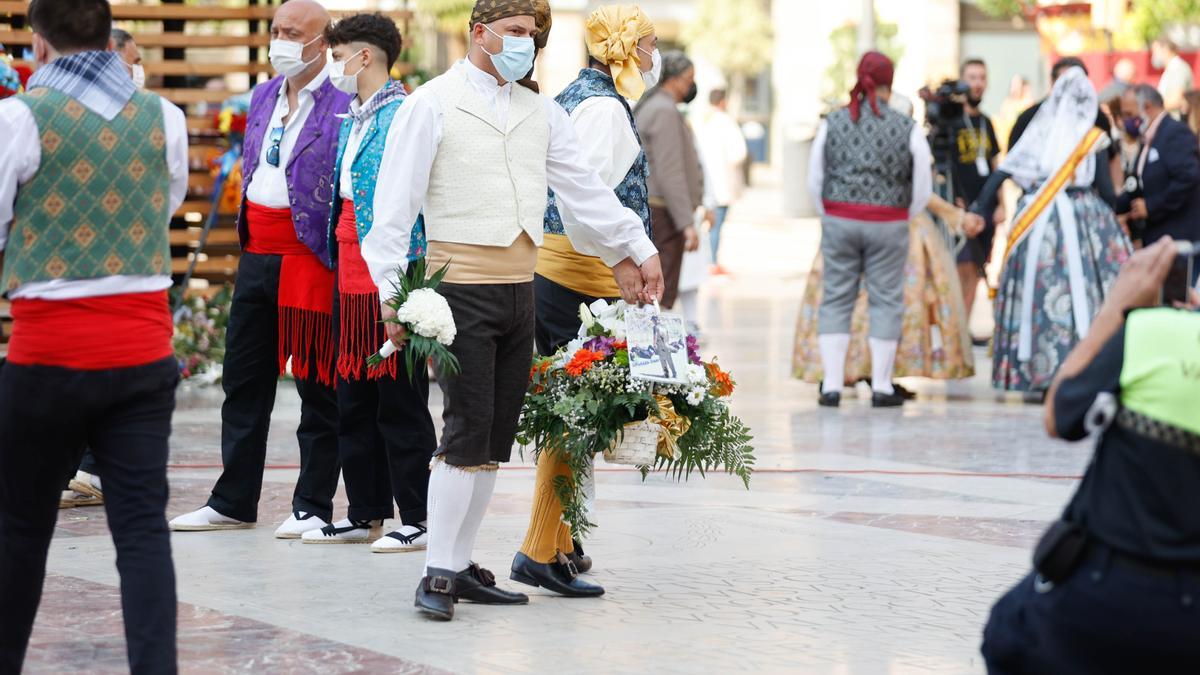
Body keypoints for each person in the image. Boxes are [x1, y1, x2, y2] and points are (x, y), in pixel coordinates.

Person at [360, 0, 663, 622]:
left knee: (495, 436)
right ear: (480, 34)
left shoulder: (542, 111)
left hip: (520, 289)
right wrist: (392, 293)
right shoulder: (431, 103)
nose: (527, 44)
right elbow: (392, 209)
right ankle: (437, 572)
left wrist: (637, 246)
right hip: (457, 291)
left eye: (534, 35)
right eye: (516, 32)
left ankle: (461, 562)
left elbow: (585, 191)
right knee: (466, 431)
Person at [0, 0, 189, 670]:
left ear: (39, 39)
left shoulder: (21, 116)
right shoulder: (164, 117)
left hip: (47, 354)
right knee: (141, 530)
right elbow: (161, 207)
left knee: (20, 530)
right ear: (109, 34)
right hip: (142, 353)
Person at [169, 0, 352, 538]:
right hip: (257, 254)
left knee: (318, 386)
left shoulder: (343, 100)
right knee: (244, 382)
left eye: (293, 33)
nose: (281, 42)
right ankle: (232, 499)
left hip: (311, 258)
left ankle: (312, 503)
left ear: (322, 42)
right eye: (276, 31)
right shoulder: (265, 93)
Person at [981, 238, 1200, 673]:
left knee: (1006, 636)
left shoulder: (1155, 332)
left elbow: (1060, 416)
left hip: (1102, 597)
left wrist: (1115, 308)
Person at [516, 3, 659, 589]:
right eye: (648, 44)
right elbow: (585, 205)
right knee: (576, 415)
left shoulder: (577, 96)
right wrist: (627, 258)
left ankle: (562, 539)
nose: (655, 55)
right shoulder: (603, 109)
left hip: (563, 274)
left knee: (572, 410)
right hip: (580, 276)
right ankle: (538, 552)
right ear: (625, 49)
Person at [297, 13, 438, 551]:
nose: (334, 67)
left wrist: (402, 289)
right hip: (348, 271)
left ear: (365, 57)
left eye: (338, 56)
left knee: (400, 402)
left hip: (392, 272)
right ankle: (367, 512)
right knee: (352, 397)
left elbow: (408, 208)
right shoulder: (353, 117)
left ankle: (419, 516)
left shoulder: (405, 114)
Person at [971, 66, 1131, 395]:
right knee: (1089, 294)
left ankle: (1036, 372)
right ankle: (1084, 368)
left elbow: (1002, 174)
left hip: (1038, 220)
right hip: (1085, 217)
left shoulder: (1038, 133)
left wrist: (980, 208)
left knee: (1037, 292)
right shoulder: (1093, 138)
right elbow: (1106, 190)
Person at [806, 51, 933, 409]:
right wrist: (905, 212)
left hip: (839, 219)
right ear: (889, 84)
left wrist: (829, 210)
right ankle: (880, 386)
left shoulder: (833, 122)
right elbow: (922, 181)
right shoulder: (906, 126)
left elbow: (815, 176)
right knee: (886, 299)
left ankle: (832, 385)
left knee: (836, 296)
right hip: (889, 222)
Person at [59, 25, 150, 511]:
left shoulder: (145, 117)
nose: (140, 72)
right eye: (133, 62)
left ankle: (94, 468)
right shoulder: (69, 116)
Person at [793, 194, 983, 387]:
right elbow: (919, 189)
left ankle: (843, 375)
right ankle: (878, 379)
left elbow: (817, 184)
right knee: (886, 302)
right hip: (892, 223)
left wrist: (835, 214)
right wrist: (953, 216)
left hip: (847, 220)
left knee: (844, 300)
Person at [634, 50, 703, 310]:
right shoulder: (663, 110)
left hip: (661, 210)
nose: (690, 86)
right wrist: (686, 223)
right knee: (657, 295)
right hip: (663, 212)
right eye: (688, 79)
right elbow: (670, 170)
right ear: (673, 80)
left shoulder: (659, 107)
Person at [1116, 84, 1200, 249]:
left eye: (1129, 114)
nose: (1126, 121)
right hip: (1159, 239)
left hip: (1176, 240)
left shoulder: (1174, 133)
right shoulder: (1150, 137)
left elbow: (1187, 178)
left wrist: (1151, 205)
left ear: (1146, 107)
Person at [952, 58, 1002, 319]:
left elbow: (996, 164)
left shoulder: (986, 122)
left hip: (986, 210)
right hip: (961, 210)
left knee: (977, 270)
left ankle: (963, 332)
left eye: (982, 77)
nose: (978, 83)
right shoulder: (951, 123)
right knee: (965, 270)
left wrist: (1002, 203)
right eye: (972, 77)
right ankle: (959, 334)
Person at [696, 88, 747, 274]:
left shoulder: (702, 122)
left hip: (705, 183)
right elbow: (738, 153)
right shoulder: (726, 123)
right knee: (717, 224)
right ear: (723, 102)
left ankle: (708, 260)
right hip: (723, 181)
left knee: (708, 224)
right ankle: (712, 262)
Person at [1153, 38, 1193, 117]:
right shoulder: (1171, 68)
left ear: (1165, 50)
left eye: (1155, 52)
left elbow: (1176, 99)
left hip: (1176, 121)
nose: (1154, 56)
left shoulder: (1178, 67)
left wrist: (1154, 109)